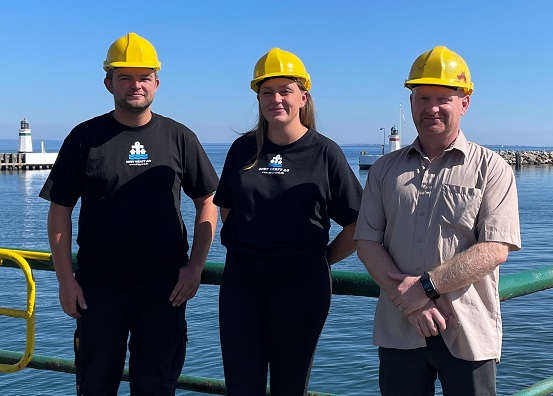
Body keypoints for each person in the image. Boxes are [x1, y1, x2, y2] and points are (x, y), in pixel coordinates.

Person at [39, 32, 219, 396]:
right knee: (94, 386)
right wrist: (65, 280)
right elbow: (60, 212)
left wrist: (196, 265)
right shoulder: (84, 137)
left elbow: (208, 201)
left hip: (165, 289)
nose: (135, 85)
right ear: (108, 83)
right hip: (97, 289)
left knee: (156, 388)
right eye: (124, 77)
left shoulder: (179, 137)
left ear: (156, 82)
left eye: (143, 77)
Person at [354, 45, 522, 395]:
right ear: (411, 101)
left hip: (468, 332)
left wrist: (424, 290)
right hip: (399, 330)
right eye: (422, 97)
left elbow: (494, 249)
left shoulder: (492, 168)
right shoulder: (384, 169)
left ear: (465, 102)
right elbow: (367, 241)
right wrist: (411, 302)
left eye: (444, 98)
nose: (431, 108)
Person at [213, 48, 363, 395]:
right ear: (258, 97)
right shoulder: (242, 149)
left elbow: (358, 224)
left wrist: (320, 259)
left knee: (289, 385)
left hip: (301, 284)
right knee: (241, 384)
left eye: (285, 91)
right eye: (267, 91)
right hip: (242, 281)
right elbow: (227, 207)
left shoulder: (325, 152)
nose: (276, 99)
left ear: (303, 97)